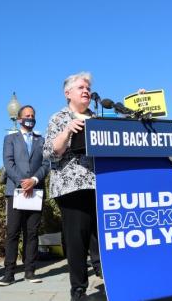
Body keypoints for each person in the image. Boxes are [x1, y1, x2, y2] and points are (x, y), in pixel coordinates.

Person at [43, 72, 98, 301]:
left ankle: (110, 277)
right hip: (71, 188)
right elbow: (49, 153)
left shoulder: (97, 118)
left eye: (88, 88)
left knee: (102, 237)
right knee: (77, 240)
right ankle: (78, 289)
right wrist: (67, 131)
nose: (86, 90)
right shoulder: (58, 118)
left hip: (100, 186)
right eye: (81, 87)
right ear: (68, 93)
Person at [0, 105, 50, 286]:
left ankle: (30, 271)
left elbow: (46, 163)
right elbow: (8, 162)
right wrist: (22, 181)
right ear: (19, 119)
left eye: (33, 115)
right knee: (12, 232)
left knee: (32, 232)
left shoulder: (41, 140)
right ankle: (9, 273)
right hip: (16, 191)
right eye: (27, 115)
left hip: (35, 191)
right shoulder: (10, 139)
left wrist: (34, 180)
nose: (30, 118)